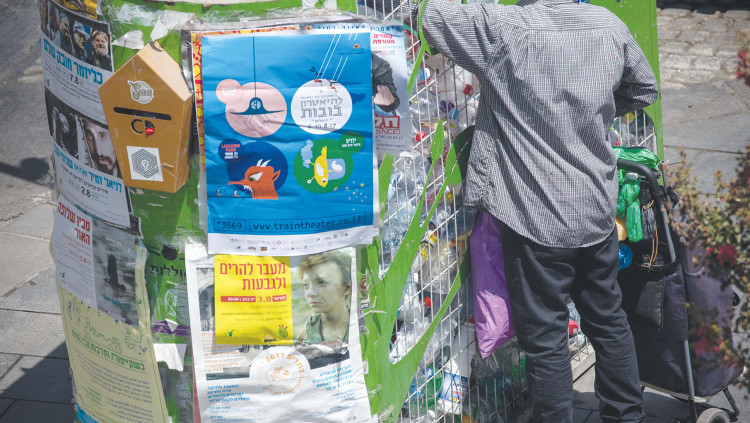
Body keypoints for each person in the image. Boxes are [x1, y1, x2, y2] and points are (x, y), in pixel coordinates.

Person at [418, 0, 658, 421]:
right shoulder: (608, 25)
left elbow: (430, 14)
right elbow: (642, 90)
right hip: (594, 209)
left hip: (536, 219)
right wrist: (588, 114)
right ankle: (627, 415)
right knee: (608, 320)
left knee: (546, 340)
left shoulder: (507, 28)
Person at [296, 251, 352, 344]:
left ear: (346, 287)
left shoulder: (362, 324)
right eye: (306, 285)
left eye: (321, 282)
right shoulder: (307, 330)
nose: (310, 293)